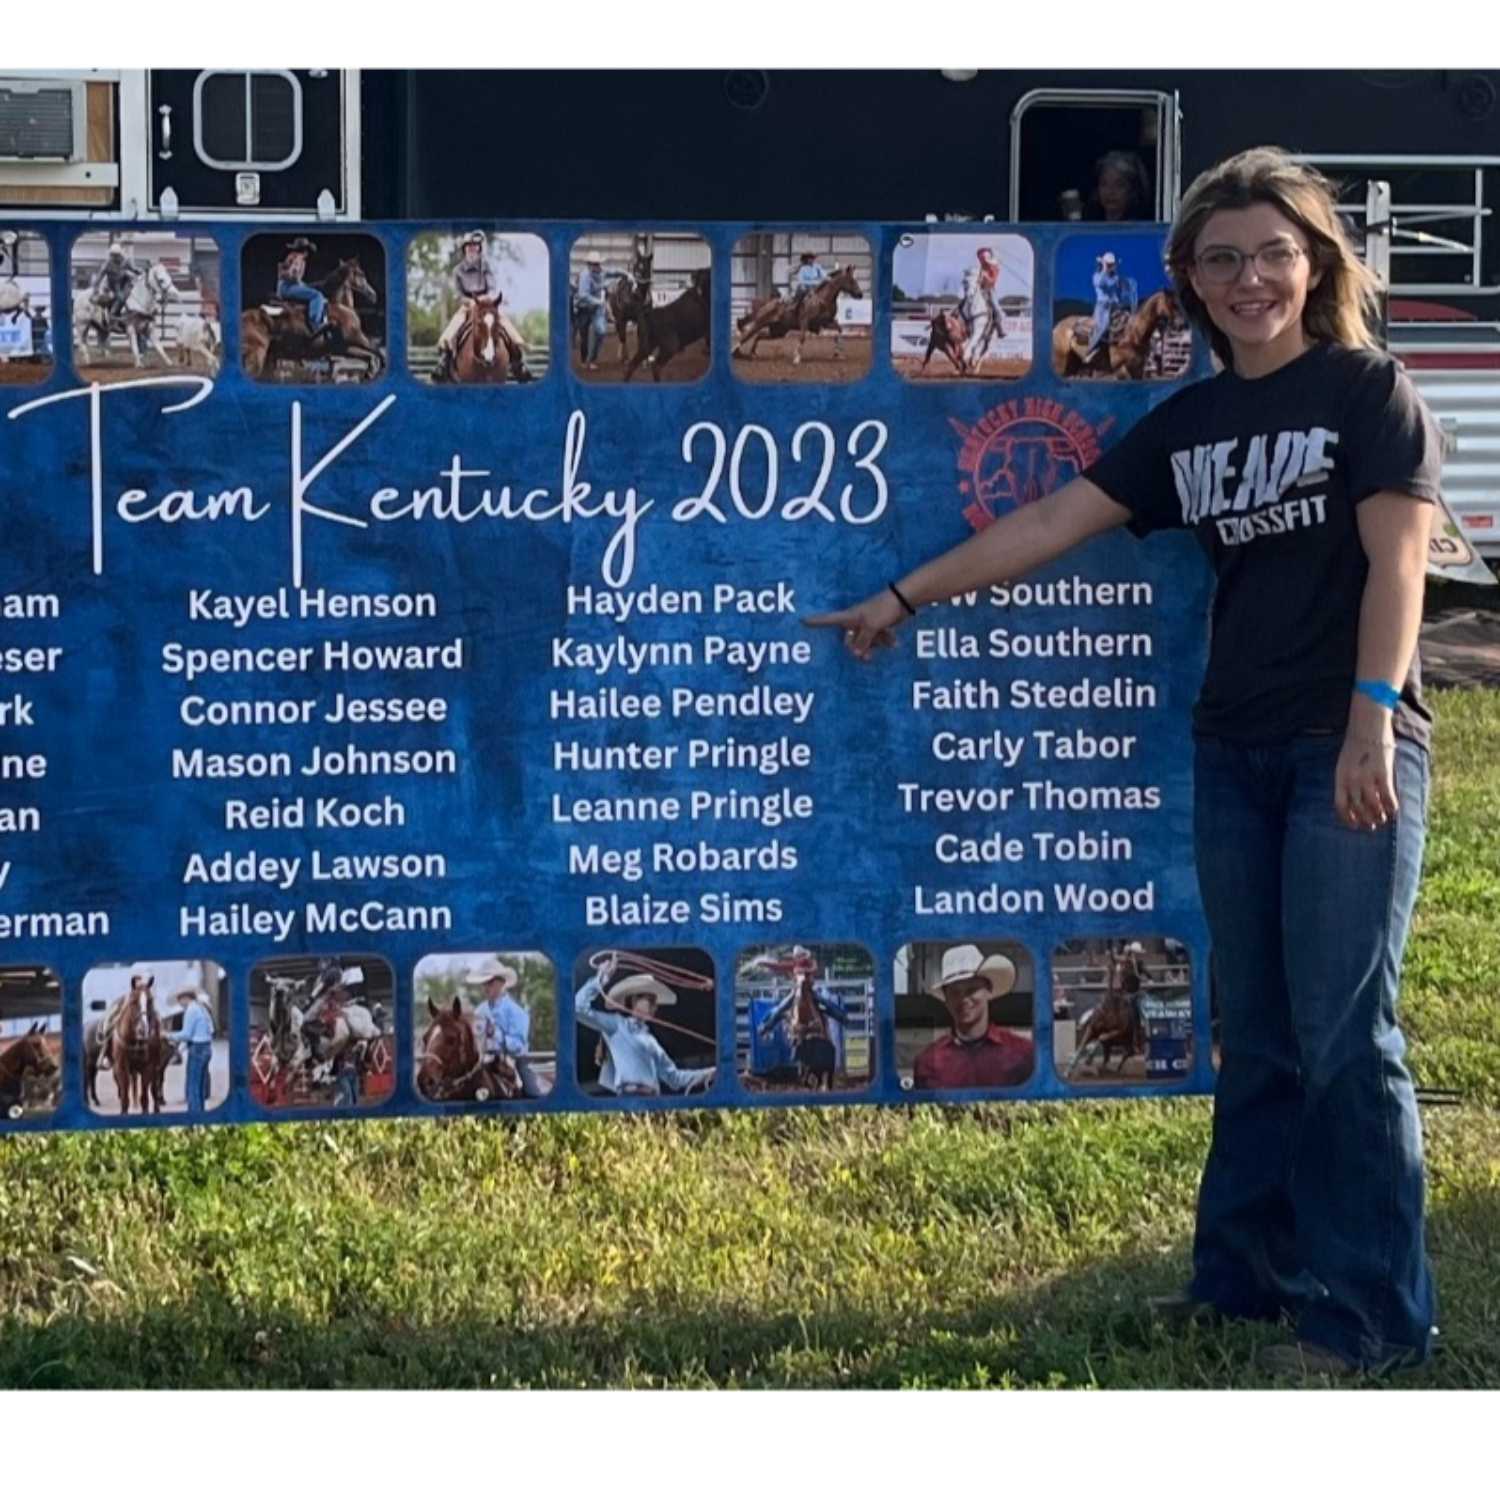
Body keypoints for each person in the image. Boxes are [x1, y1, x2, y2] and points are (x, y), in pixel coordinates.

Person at [807, 146, 1442, 1377]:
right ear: (1191, 283)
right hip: (1233, 749)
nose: (1249, 277)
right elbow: (1049, 524)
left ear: (1313, 264)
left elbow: (1401, 566)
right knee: (1256, 1031)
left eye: (1272, 252)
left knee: (1347, 1034)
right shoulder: (1192, 422)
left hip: (1348, 749)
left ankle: (1375, 1315)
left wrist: (1374, 713)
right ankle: (1244, 1282)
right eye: (1222, 259)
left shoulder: (1367, 392)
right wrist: (904, 595)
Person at [575, 962, 714, 1097]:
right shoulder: (617, 1025)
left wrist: (711, 1072)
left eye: (655, 1003)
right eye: (651, 1001)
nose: (655, 1007)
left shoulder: (651, 1041)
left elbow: (674, 1078)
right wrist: (602, 978)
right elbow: (578, 1008)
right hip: (628, 1097)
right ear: (635, 1000)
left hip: (652, 1099)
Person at [911, 945, 1034, 1090]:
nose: (963, 999)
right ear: (946, 999)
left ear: (989, 991)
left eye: (972, 990)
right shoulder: (927, 1063)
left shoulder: (1023, 1054)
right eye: (955, 992)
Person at [432, 230, 532, 384]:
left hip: (487, 304)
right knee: (453, 327)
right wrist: (470, 302)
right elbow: (458, 294)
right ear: (464, 249)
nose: (472, 249)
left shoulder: (486, 267)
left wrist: (485, 300)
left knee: (505, 325)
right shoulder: (457, 271)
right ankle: (443, 363)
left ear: (479, 249)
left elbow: (492, 287)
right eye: (469, 247)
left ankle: (518, 363)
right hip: (467, 305)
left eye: (475, 247)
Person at [466, 956, 545, 1098]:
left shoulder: (517, 1012)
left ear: (501, 983)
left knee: (532, 1091)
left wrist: (495, 1033)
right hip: (482, 1061)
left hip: (513, 1060)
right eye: (483, 983)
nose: (485, 987)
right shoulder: (479, 1011)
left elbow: (518, 1046)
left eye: (489, 982)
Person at [1085, 250, 1138, 362]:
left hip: (1116, 306)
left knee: (1128, 321)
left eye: (1112, 265)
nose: (1111, 267)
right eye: (1109, 264)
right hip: (1102, 307)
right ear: (1104, 265)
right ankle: (1089, 350)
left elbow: (1122, 289)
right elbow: (1100, 284)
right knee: (1103, 325)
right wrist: (1105, 269)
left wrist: (1129, 285)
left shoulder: (1116, 277)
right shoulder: (1097, 276)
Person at [275, 236, 330, 344]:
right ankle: (316, 324)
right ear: (305, 251)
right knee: (317, 296)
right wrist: (299, 282)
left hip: (284, 286)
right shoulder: (297, 258)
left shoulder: (292, 257)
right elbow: (292, 276)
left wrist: (303, 284)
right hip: (287, 288)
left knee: (320, 296)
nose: (308, 254)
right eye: (308, 251)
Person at [171, 986, 215, 1114]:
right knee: (201, 1086)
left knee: (193, 1086)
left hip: (197, 1049)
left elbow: (186, 1034)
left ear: (186, 998)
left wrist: (168, 1035)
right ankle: (201, 1113)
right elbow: (211, 1029)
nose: (179, 1004)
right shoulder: (203, 1008)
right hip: (207, 1047)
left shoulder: (191, 1010)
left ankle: (193, 1114)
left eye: (180, 1000)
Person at [1089, 149, 1153, 222]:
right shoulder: (1089, 225)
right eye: (1104, 184)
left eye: (1119, 185)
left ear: (1132, 190)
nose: (1110, 192)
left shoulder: (1142, 228)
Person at [573, 255, 609, 369]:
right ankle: (585, 360)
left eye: (598, 263)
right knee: (584, 336)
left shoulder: (601, 273)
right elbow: (583, 295)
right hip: (583, 308)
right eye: (595, 264)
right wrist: (598, 301)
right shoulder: (585, 276)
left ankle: (592, 359)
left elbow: (613, 272)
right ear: (589, 264)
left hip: (594, 308)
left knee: (601, 331)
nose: (597, 266)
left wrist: (625, 274)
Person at [92, 241, 138, 322]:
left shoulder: (126, 261)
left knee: (131, 295)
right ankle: (112, 315)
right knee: (119, 297)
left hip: (124, 284)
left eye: (116, 255)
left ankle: (131, 313)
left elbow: (133, 269)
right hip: (112, 286)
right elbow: (99, 277)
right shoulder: (107, 264)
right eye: (113, 255)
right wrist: (96, 289)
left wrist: (139, 271)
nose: (115, 257)